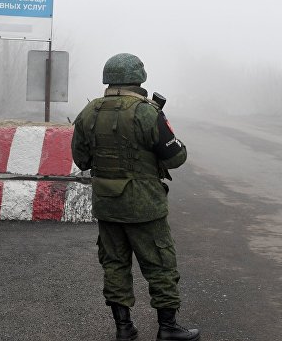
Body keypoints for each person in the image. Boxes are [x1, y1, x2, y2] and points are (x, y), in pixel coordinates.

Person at [71, 53, 200, 341]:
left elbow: (81, 160)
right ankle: (167, 328)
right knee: (160, 264)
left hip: (106, 204)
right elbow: (177, 156)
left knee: (114, 264)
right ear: (139, 79)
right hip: (144, 207)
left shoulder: (89, 113)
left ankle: (124, 328)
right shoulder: (147, 112)